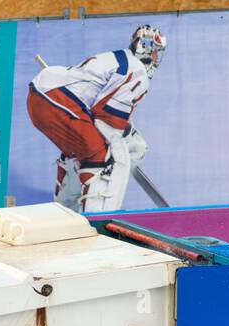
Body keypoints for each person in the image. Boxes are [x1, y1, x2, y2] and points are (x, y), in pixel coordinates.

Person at [26, 24, 165, 212]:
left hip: (42, 97)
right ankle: (96, 221)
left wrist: (127, 132)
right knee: (104, 157)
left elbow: (100, 110)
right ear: (145, 47)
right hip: (57, 100)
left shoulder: (123, 59)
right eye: (155, 52)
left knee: (81, 153)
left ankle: (63, 213)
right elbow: (106, 118)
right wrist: (126, 141)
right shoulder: (138, 70)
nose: (156, 58)